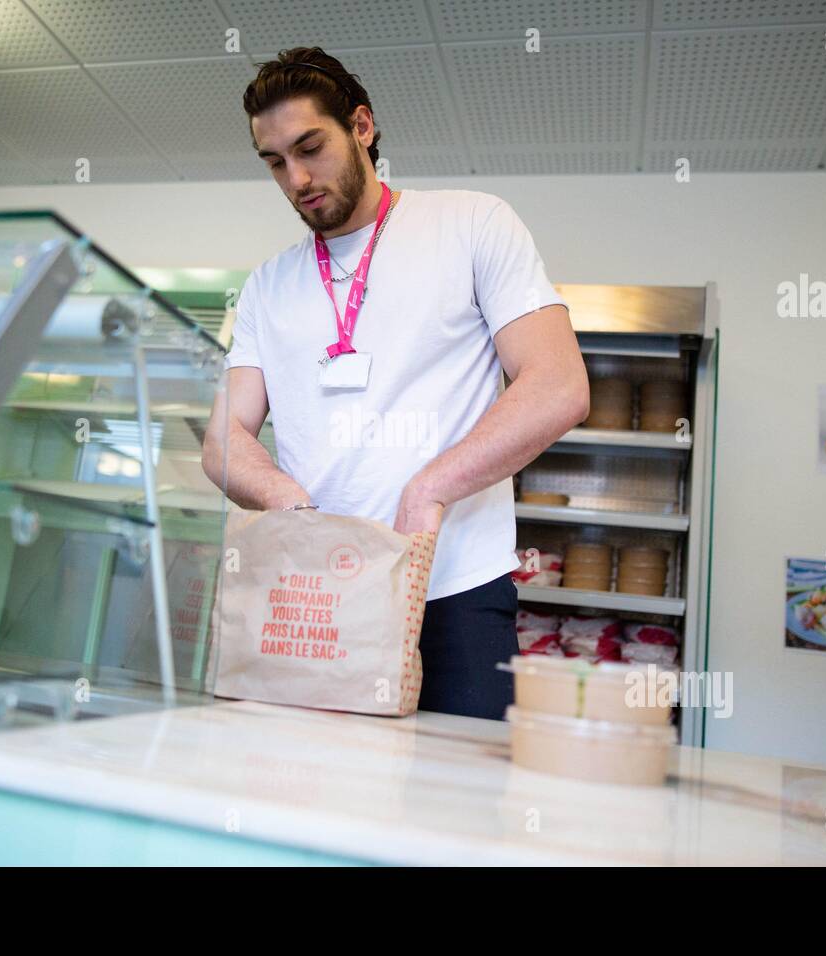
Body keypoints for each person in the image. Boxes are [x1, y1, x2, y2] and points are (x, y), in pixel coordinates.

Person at [202, 47, 589, 720]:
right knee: (308, 803)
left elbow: (558, 386)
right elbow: (222, 440)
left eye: (309, 147)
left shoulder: (473, 223)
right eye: (274, 162)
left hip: (452, 592)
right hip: (313, 596)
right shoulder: (268, 285)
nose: (296, 178)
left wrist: (429, 487)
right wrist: (280, 497)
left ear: (361, 126)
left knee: (450, 813)